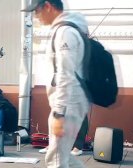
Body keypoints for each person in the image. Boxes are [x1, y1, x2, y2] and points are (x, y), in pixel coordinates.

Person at [22, 0, 90, 167]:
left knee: (56, 159)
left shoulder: (65, 32)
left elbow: (66, 75)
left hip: (68, 104)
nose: (36, 17)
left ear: (48, 6)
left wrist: (59, 114)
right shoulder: (63, 30)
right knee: (64, 156)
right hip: (67, 103)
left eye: (37, 11)